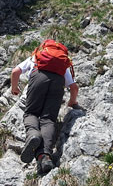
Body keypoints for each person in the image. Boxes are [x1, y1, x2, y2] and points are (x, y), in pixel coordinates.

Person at [10, 39, 79, 174]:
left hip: (38, 76)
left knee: (31, 114)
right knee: (48, 119)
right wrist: (72, 102)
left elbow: (15, 72)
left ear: (43, 48)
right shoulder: (62, 64)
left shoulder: (36, 57)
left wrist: (14, 87)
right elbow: (74, 87)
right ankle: (45, 156)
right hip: (58, 82)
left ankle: (33, 134)